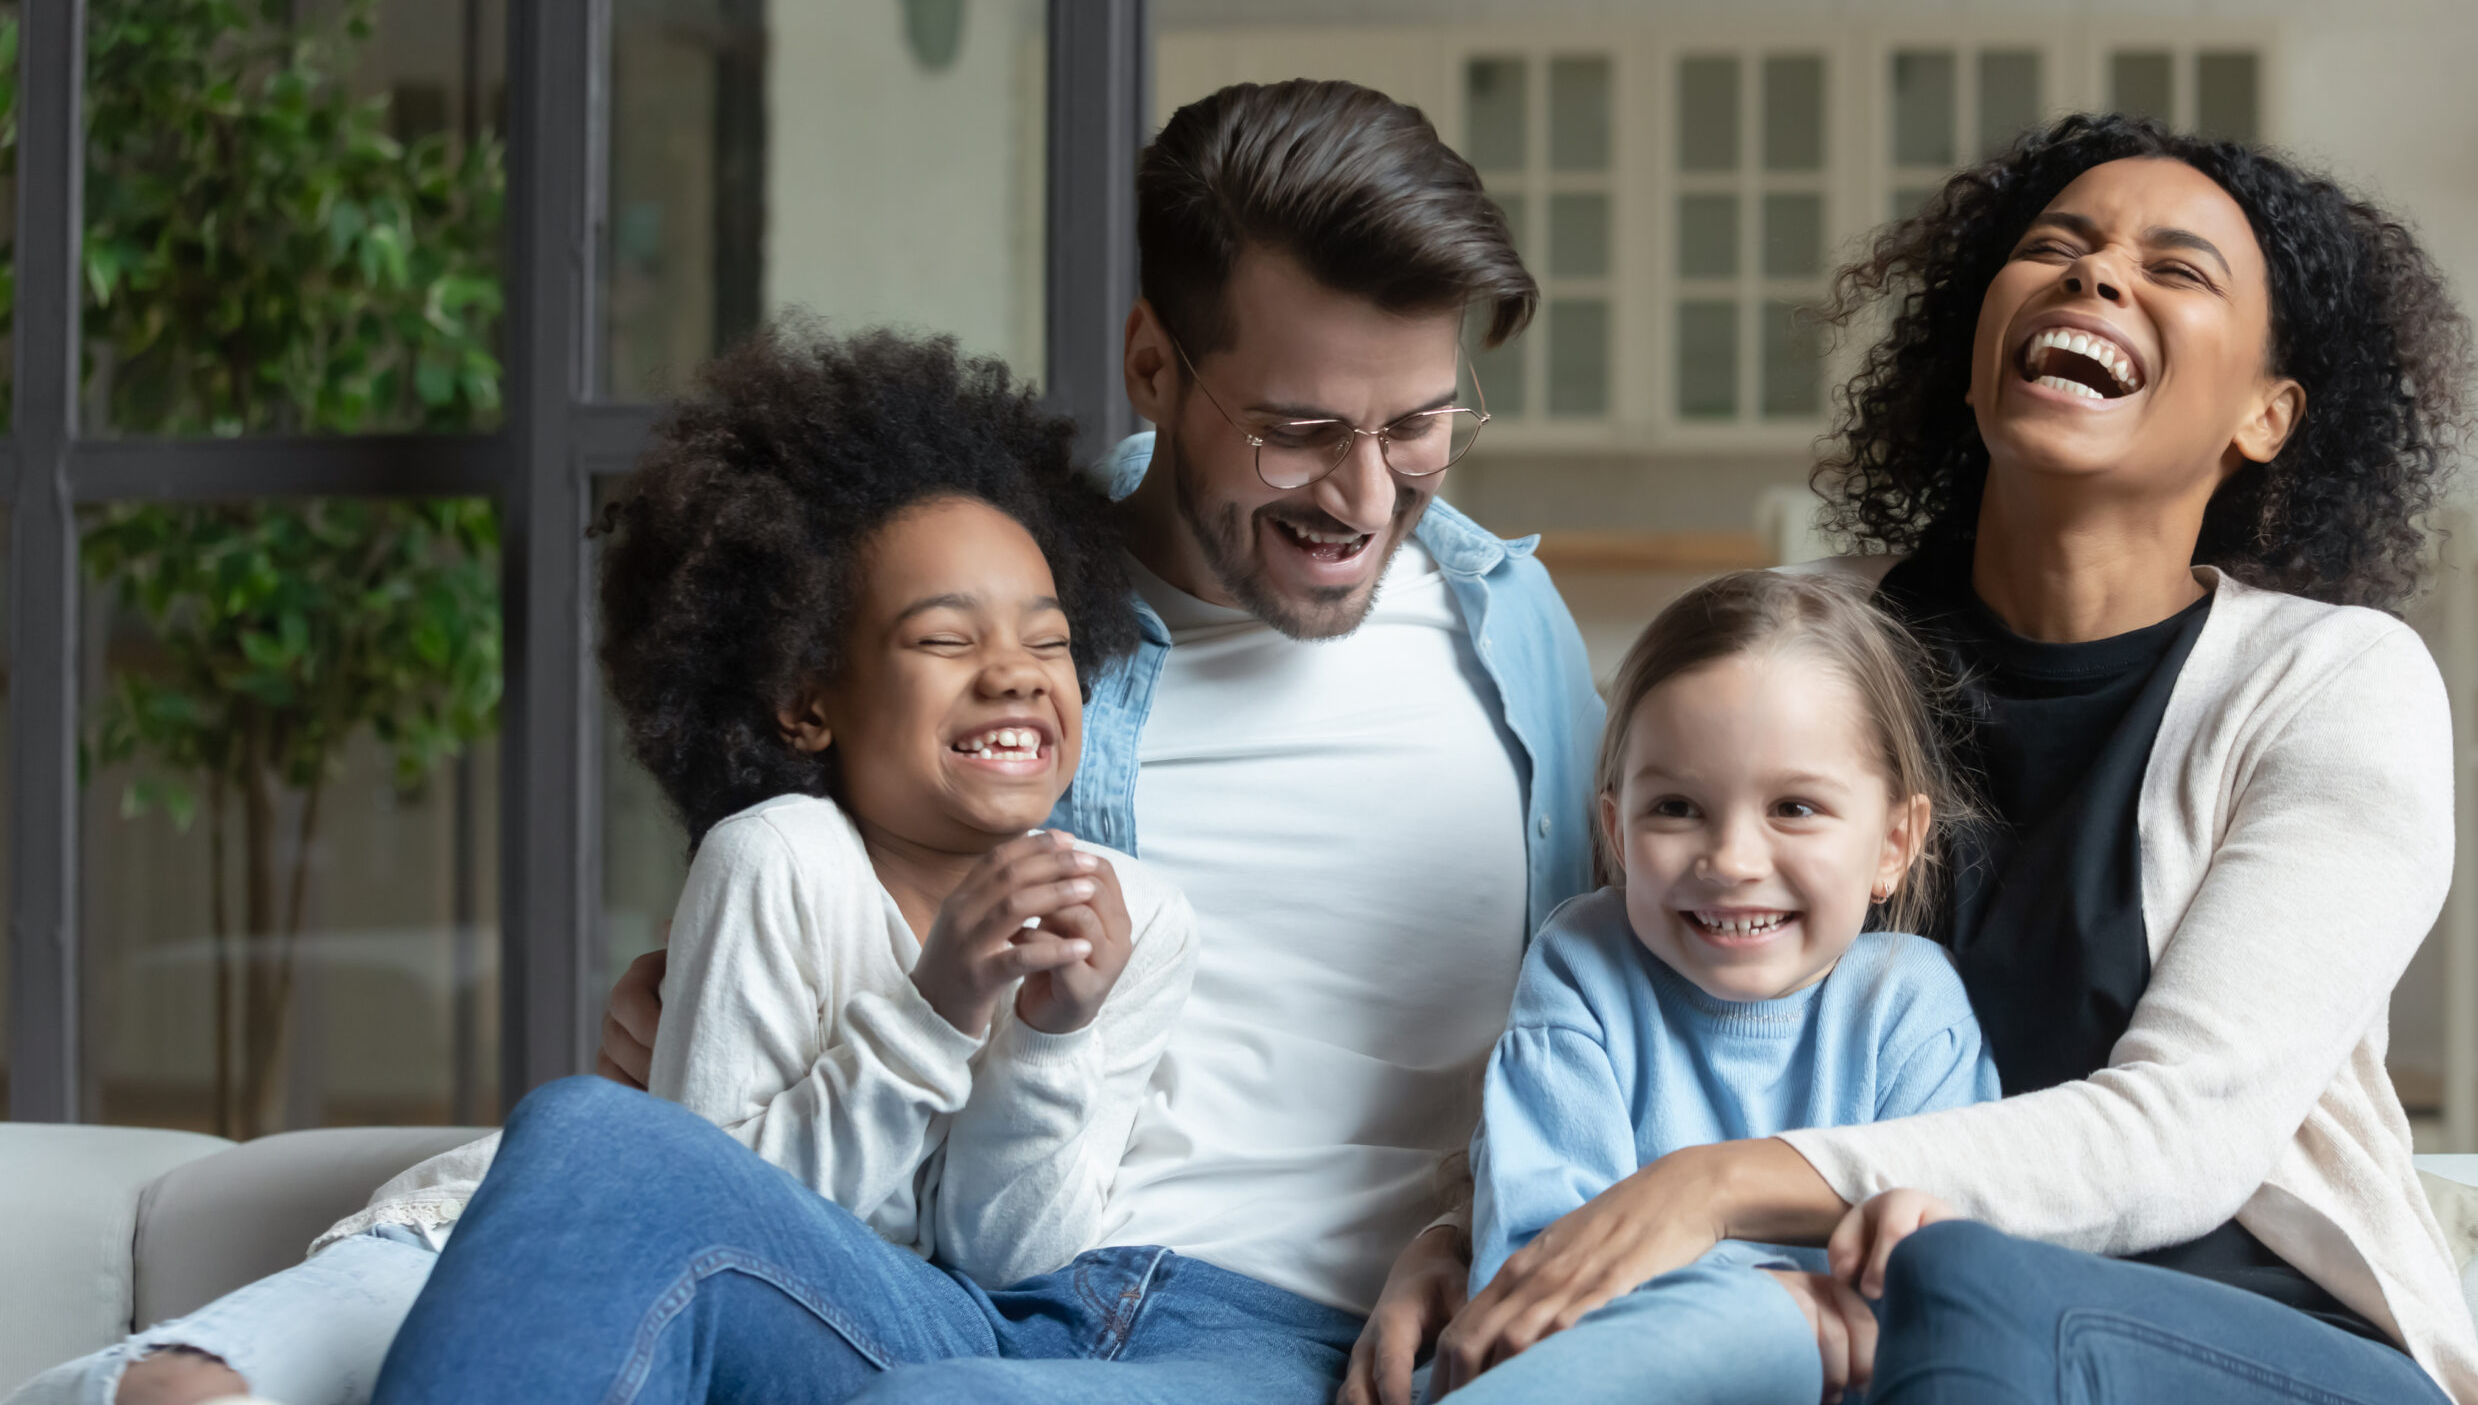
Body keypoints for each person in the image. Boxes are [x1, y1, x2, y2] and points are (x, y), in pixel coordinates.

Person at [374, 79, 1601, 1405]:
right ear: (1153, 367)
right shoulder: (995, 648)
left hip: (1292, 1338)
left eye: (1417, 423)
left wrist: (1494, 1236)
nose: (1365, 496)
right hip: (975, 1287)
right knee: (589, 1141)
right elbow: (829, 949)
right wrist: (698, 1037)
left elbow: (1646, 1008)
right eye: (1298, 431)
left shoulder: (1511, 642)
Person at [1428, 114, 2478, 1405]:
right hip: (1853, 1321)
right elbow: (1613, 994)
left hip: (2261, 1343)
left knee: (1960, 1278)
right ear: (1975, 353)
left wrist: (1714, 1186)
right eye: (2056, 245)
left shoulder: (2335, 685)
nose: (2095, 275)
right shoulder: (1789, 641)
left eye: (2178, 268)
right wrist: (1481, 1250)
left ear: (2268, 416)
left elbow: (2182, 1137)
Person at [10, 327, 1195, 1405]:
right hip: (530, 1240)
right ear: (803, 700)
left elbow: (1014, 1270)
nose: (1013, 670)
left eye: (1048, 639)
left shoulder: (1128, 921)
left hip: (778, 1321)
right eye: (944, 638)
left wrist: (1044, 1039)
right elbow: (687, 1221)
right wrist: (933, 1016)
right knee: (186, 1395)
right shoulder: (777, 861)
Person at [1433, 571, 2001, 1405]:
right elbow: (1543, 1276)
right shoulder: (1581, 969)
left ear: (1894, 843)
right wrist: (1777, 1304)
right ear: (1614, 831)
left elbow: (1943, 1285)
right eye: (1675, 808)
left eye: (1796, 808)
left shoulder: (1910, 1008)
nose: (1732, 860)